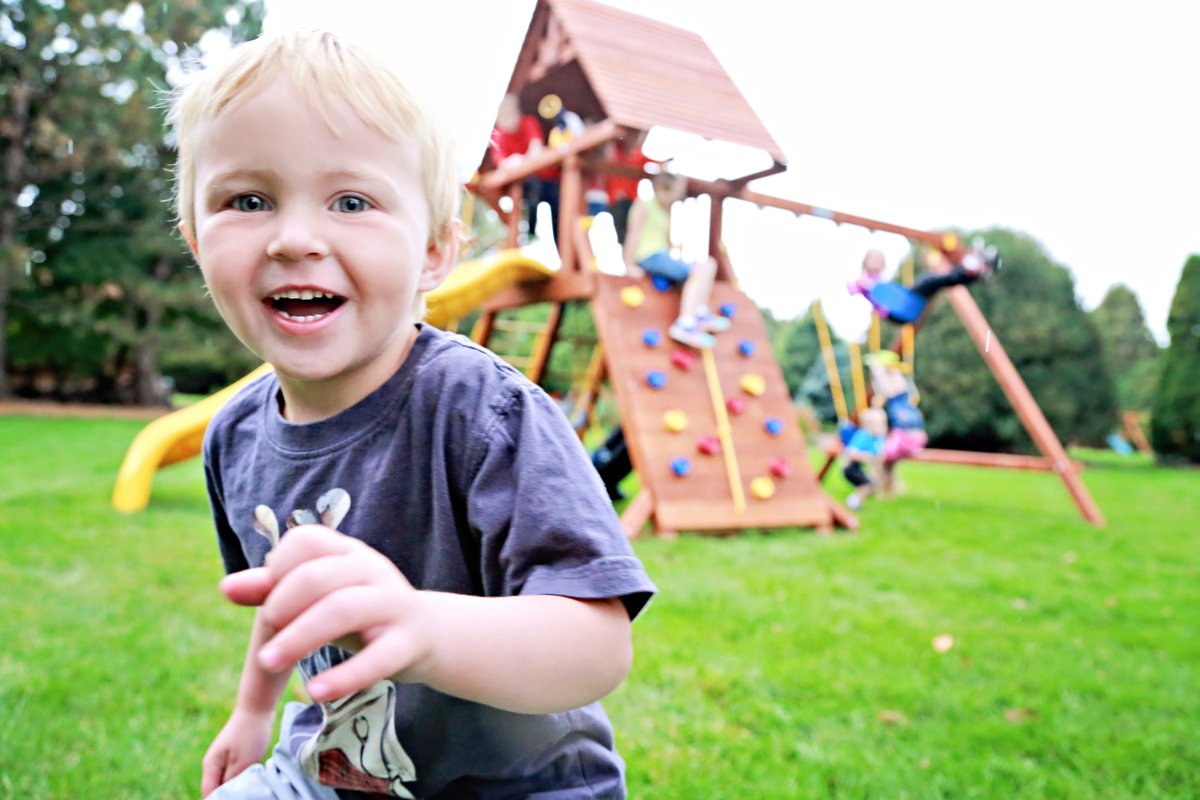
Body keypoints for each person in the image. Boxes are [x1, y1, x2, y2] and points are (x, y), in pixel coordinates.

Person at [170, 29, 656, 799]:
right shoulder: (235, 437)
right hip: (338, 773)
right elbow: (294, 596)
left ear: (434, 251)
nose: (294, 239)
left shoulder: (486, 413)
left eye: (351, 201)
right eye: (248, 201)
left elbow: (598, 647)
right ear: (198, 242)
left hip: (520, 785)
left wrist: (424, 631)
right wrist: (252, 712)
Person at [623, 171, 730, 349]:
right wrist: (629, 264)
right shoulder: (644, 205)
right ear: (660, 189)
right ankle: (686, 323)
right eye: (675, 193)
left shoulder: (665, 211)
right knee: (700, 269)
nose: (676, 198)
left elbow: (666, 242)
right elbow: (633, 234)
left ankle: (699, 313)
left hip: (661, 256)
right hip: (649, 256)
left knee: (709, 264)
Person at [849, 241, 1001, 324]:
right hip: (900, 309)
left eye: (879, 260)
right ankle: (972, 271)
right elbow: (854, 287)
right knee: (930, 280)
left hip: (905, 305)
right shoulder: (866, 281)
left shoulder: (877, 280)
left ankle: (970, 271)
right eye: (874, 260)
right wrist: (864, 286)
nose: (877, 263)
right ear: (866, 262)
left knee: (934, 280)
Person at [489, 93, 562, 246]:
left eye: (510, 113)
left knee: (557, 215)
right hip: (529, 184)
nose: (507, 119)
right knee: (528, 199)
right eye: (503, 115)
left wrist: (519, 160)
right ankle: (530, 234)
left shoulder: (528, 122)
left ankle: (558, 243)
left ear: (517, 112)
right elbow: (501, 162)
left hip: (549, 179)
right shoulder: (499, 135)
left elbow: (536, 149)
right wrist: (515, 162)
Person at [866, 351, 928, 494]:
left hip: (906, 434)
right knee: (886, 460)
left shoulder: (896, 394)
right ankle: (885, 485)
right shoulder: (901, 395)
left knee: (880, 458)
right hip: (914, 434)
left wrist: (878, 370)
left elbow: (887, 387)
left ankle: (878, 484)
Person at [606, 129, 655, 244]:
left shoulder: (639, 155)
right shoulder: (615, 151)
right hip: (615, 201)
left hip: (631, 201)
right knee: (621, 233)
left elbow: (654, 165)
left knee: (631, 231)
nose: (635, 139)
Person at [841, 406, 888, 510]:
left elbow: (879, 453)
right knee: (867, 485)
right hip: (850, 468)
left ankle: (856, 502)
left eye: (884, 424)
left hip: (859, 467)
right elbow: (851, 453)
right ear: (868, 426)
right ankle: (852, 502)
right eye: (879, 425)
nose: (883, 428)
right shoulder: (863, 436)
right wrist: (866, 457)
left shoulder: (878, 438)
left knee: (870, 485)